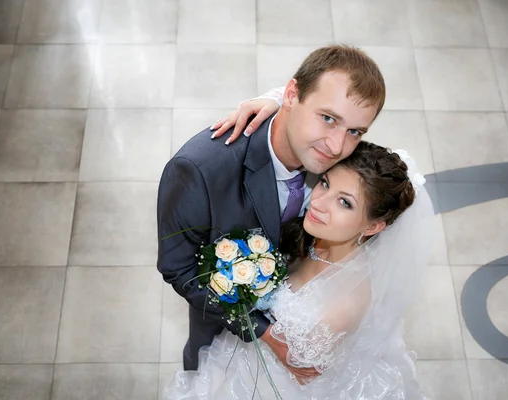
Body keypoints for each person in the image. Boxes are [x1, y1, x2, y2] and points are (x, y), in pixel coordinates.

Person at [156, 44, 386, 380]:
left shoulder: (339, 163)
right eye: (327, 118)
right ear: (292, 94)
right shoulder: (199, 170)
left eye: (354, 131)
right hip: (224, 330)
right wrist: (266, 332)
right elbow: (180, 269)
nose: (337, 147)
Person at [163, 141, 435, 399]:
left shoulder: (346, 302)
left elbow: (303, 374)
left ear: (373, 227)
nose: (317, 203)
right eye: (325, 184)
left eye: (344, 202)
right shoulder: (315, 232)